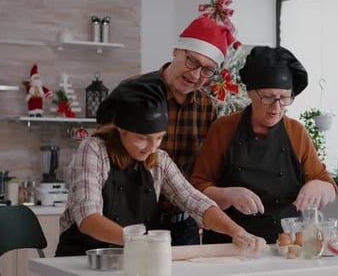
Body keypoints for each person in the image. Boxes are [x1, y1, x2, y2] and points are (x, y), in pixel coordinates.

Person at [55, 77, 266, 256]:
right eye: (142, 138)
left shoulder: (159, 159)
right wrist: (142, 243)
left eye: (158, 138)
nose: (151, 147)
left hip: (128, 259)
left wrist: (237, 231)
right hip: (80, 258)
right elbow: (88, 219)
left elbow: (193, 200)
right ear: (121, 130)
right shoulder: (93, 149)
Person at [99, 15, 237, 246]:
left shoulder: (207, 107)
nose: (194, 75)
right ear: (176, 51)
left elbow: (204, 171)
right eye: (191, 61)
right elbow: (104, 149)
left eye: (207, 70)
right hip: (127, 222)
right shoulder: (134, 92)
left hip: (182, 225)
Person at [190, 46, 338, 244]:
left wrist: (319, 187)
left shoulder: (296, 132)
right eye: (268, 97)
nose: (277, 107)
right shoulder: (224, 129)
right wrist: (227, 194)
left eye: (285, 97)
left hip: (284, 246)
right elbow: (196, 188)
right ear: (250, 93)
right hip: (228, 243)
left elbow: (328, 185)